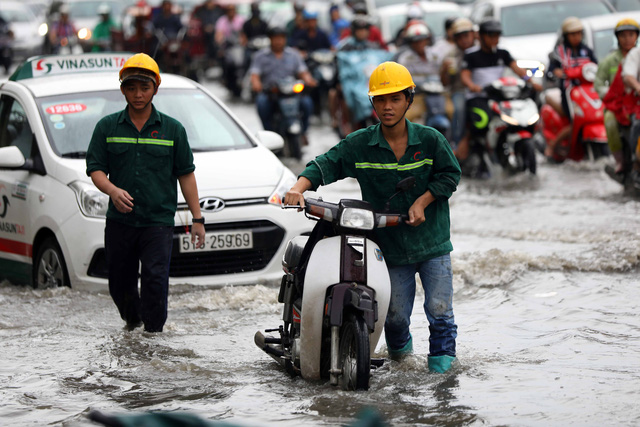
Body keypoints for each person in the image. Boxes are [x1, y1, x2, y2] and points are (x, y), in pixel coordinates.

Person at [284, 62, 461, 373]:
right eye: (380, 100)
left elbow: (450, 176)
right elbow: (326, 163)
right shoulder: (361, 143)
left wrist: (424, 200)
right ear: (372, 103)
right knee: (393, 317)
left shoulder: (431, 139)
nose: (387, 107)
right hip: (389, 248)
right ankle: (403, 367)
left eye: (395, 99)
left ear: (409, 99)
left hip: (432, 244)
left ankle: (443, 376)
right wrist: (298, 188)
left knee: (440, 312)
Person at [86, 53, 205, 333]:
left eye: (144, 88)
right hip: (120, 222)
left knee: (155, 279)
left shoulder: (173, 130)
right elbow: (95, 169)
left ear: (155, 89)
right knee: (119, 282)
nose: (138, 94)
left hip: (158, 221)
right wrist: (113, 190)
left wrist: (197, 219)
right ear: (123, 90)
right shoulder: (107, 127)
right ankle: (133, 322)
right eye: (131, 88)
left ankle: (153, 336)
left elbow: (186, 174)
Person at [457, 18, 541, 164]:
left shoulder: (503, 53)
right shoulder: (471, 55)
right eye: (491, 35)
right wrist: (472, 85)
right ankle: (473, 145)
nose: (495, 39)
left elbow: (518, 70)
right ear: (481, 36)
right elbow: (465, 75)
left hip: (499, 96)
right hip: (479, 96)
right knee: (482, 121)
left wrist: (531, 81)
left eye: (497, 35)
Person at [545, 17, 597, 159]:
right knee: (576, 122)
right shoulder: (559, 52)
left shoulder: (587, 51)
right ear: (566, 36)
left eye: (579, 33)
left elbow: (596, 68)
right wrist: (556, 72)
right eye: (573, 34)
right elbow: (550, 72)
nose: (576, 37)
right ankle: (552, 146)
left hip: (587, 93)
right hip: (569, 94)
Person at [249, 26, 316, 136]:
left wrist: (309, 80)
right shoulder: (260, 56)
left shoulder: (294, 54)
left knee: (307, 103)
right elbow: (255, 74)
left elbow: (303, 72)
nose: (279, 41)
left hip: (291, 91)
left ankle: (304, 133)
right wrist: (256, 84)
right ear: (270, 39)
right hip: (271, 92)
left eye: (281, 38)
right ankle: (269, 134)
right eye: (276, 38)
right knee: (262, 104)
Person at [596, 19, 639, 176]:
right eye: (623, 35)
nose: (627, 39)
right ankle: (621, 159)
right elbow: (598, 83)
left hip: (635, 101)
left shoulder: (638, 55)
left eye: (631, 35)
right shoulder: (610, 60)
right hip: (616, 104)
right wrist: (611, 95)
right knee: (610, 122)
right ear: (617, 38)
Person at [395, 23, 444, 129]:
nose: (419, 44)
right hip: (416, 95)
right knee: (408, 119)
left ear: (427, 40)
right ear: (410, 43)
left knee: (453, 111)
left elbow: (442, 76)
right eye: (416, 41)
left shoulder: (435, 55)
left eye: (422, 40)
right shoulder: (405, 59)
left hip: (437, 95)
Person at [440, 17, 476, 147]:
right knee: (458, 109)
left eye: (466, 35)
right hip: (460, 91)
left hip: (480, 90)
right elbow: (445, 83)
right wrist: (444, 71)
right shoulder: (451, 56)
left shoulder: (480, 49)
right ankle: (457, 141)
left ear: (473, 34)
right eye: (459, 37)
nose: (464, 40)